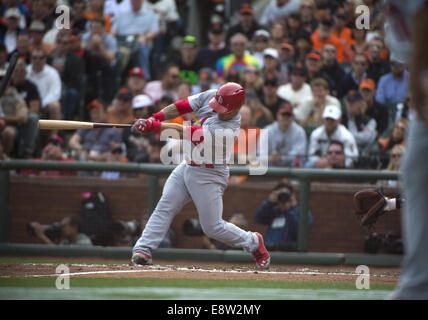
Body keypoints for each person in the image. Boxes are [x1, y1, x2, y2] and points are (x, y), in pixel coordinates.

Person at [130, 82, 271, 269]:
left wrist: (154, 127)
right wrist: (153, 117)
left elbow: (187, 132)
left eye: (223, 109)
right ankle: (143, 250)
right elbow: (181, 106)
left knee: (212, 227)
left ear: (235, 109)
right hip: (187, 165)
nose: (218, 110)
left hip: (209, 174)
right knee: (165, 205)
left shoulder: (228, 129)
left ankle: (253, 241)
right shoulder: (215, 95)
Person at [254, 182, 312, 251]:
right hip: (270, 251)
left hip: (290, 253)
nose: (283, 197)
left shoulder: (301, 212)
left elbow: (300, 231)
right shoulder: (274, 211)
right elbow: (258, 218)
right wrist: (269, 202)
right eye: (280, 194)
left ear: (292, 196)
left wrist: (291, 209)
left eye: (286, 194)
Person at [112, 0, 159, 80]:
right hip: (123, 42)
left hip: (140, 40)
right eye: (133, 0)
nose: (135, 2)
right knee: (112, 48)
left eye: (138, 1)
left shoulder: (150, 15)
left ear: (142, 2)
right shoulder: (122, 15)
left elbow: (155, 31)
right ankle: (114, 77)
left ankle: (145, 77)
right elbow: (113, 31)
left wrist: (145, 37)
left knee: (141, 48)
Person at [48, 29, 86, 120]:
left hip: (66, 87)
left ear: (69, 44)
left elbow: (76, 81)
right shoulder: (48, 57)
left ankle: (65, 120)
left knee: (72, 93)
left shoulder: (76, 60)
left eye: (65, 43)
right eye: (59, 42)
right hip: (49, 86)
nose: (61, 45)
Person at [81, 17, 117, 104]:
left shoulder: (110, 39)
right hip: (89, 68)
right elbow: (81, 55)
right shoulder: (85, 37)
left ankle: (106, 101)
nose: (96, 30)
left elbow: (110, 58)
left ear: (103, 28)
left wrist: (100, 45)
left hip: (106, 69)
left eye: (98, 28)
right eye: (93, 28)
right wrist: (92, 44)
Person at [262, 102, 307, 167]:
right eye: (283, 114)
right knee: (262, 163)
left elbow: (299, 155)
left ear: (293, 117)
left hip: (290, 164)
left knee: (297, 162)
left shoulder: (299, 131)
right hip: (271, 163)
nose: (286, 117)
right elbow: (260, 154)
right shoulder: (267, 130)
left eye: (288, 115)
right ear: (277, 115)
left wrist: (281, 157)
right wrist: (269, 157)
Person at [26, 46, 61, 121]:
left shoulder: (52, 73)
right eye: (34, 58)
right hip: (28, 104)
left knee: (55, 105)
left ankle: (54, 133)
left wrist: (41, 104)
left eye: (40, 58)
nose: (37, 60)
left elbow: (55, 93)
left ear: (45, 59)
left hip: (45, 105)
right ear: (30, 59)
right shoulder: (25, 72)